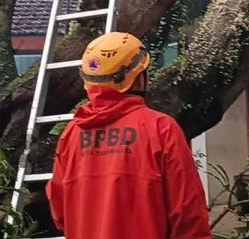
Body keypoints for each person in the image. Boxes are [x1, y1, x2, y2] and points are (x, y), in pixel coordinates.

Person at [47, 32, 212, 239]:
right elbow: (188, 214)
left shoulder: (71, 134)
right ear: (138, 77)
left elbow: (60, 212)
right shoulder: (161, 129)